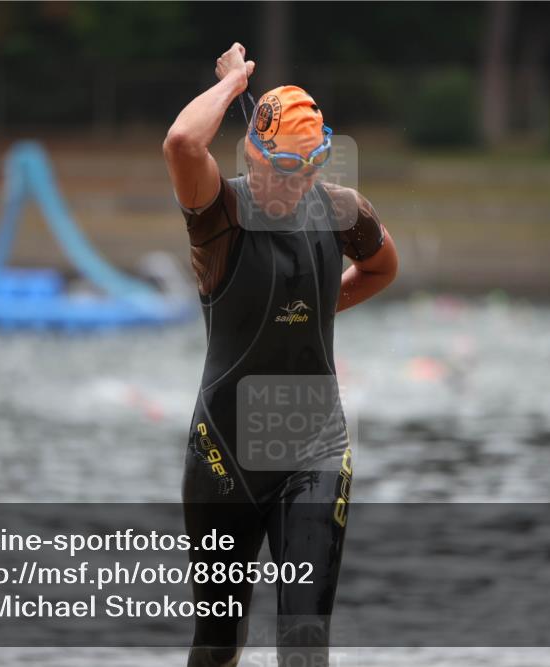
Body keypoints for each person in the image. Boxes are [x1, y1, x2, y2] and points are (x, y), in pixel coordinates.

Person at [163, 42, 398, 667]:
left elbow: (381, 266)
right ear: (252, 153)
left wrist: (320, 311)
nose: (293, 185)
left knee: (303, 646)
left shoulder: (342, 211)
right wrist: (235, 80)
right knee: (217, 646)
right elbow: (183, 142)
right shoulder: (219, 215)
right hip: (224, 455)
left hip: (314, 449)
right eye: (281, 169)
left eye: (307, 170)